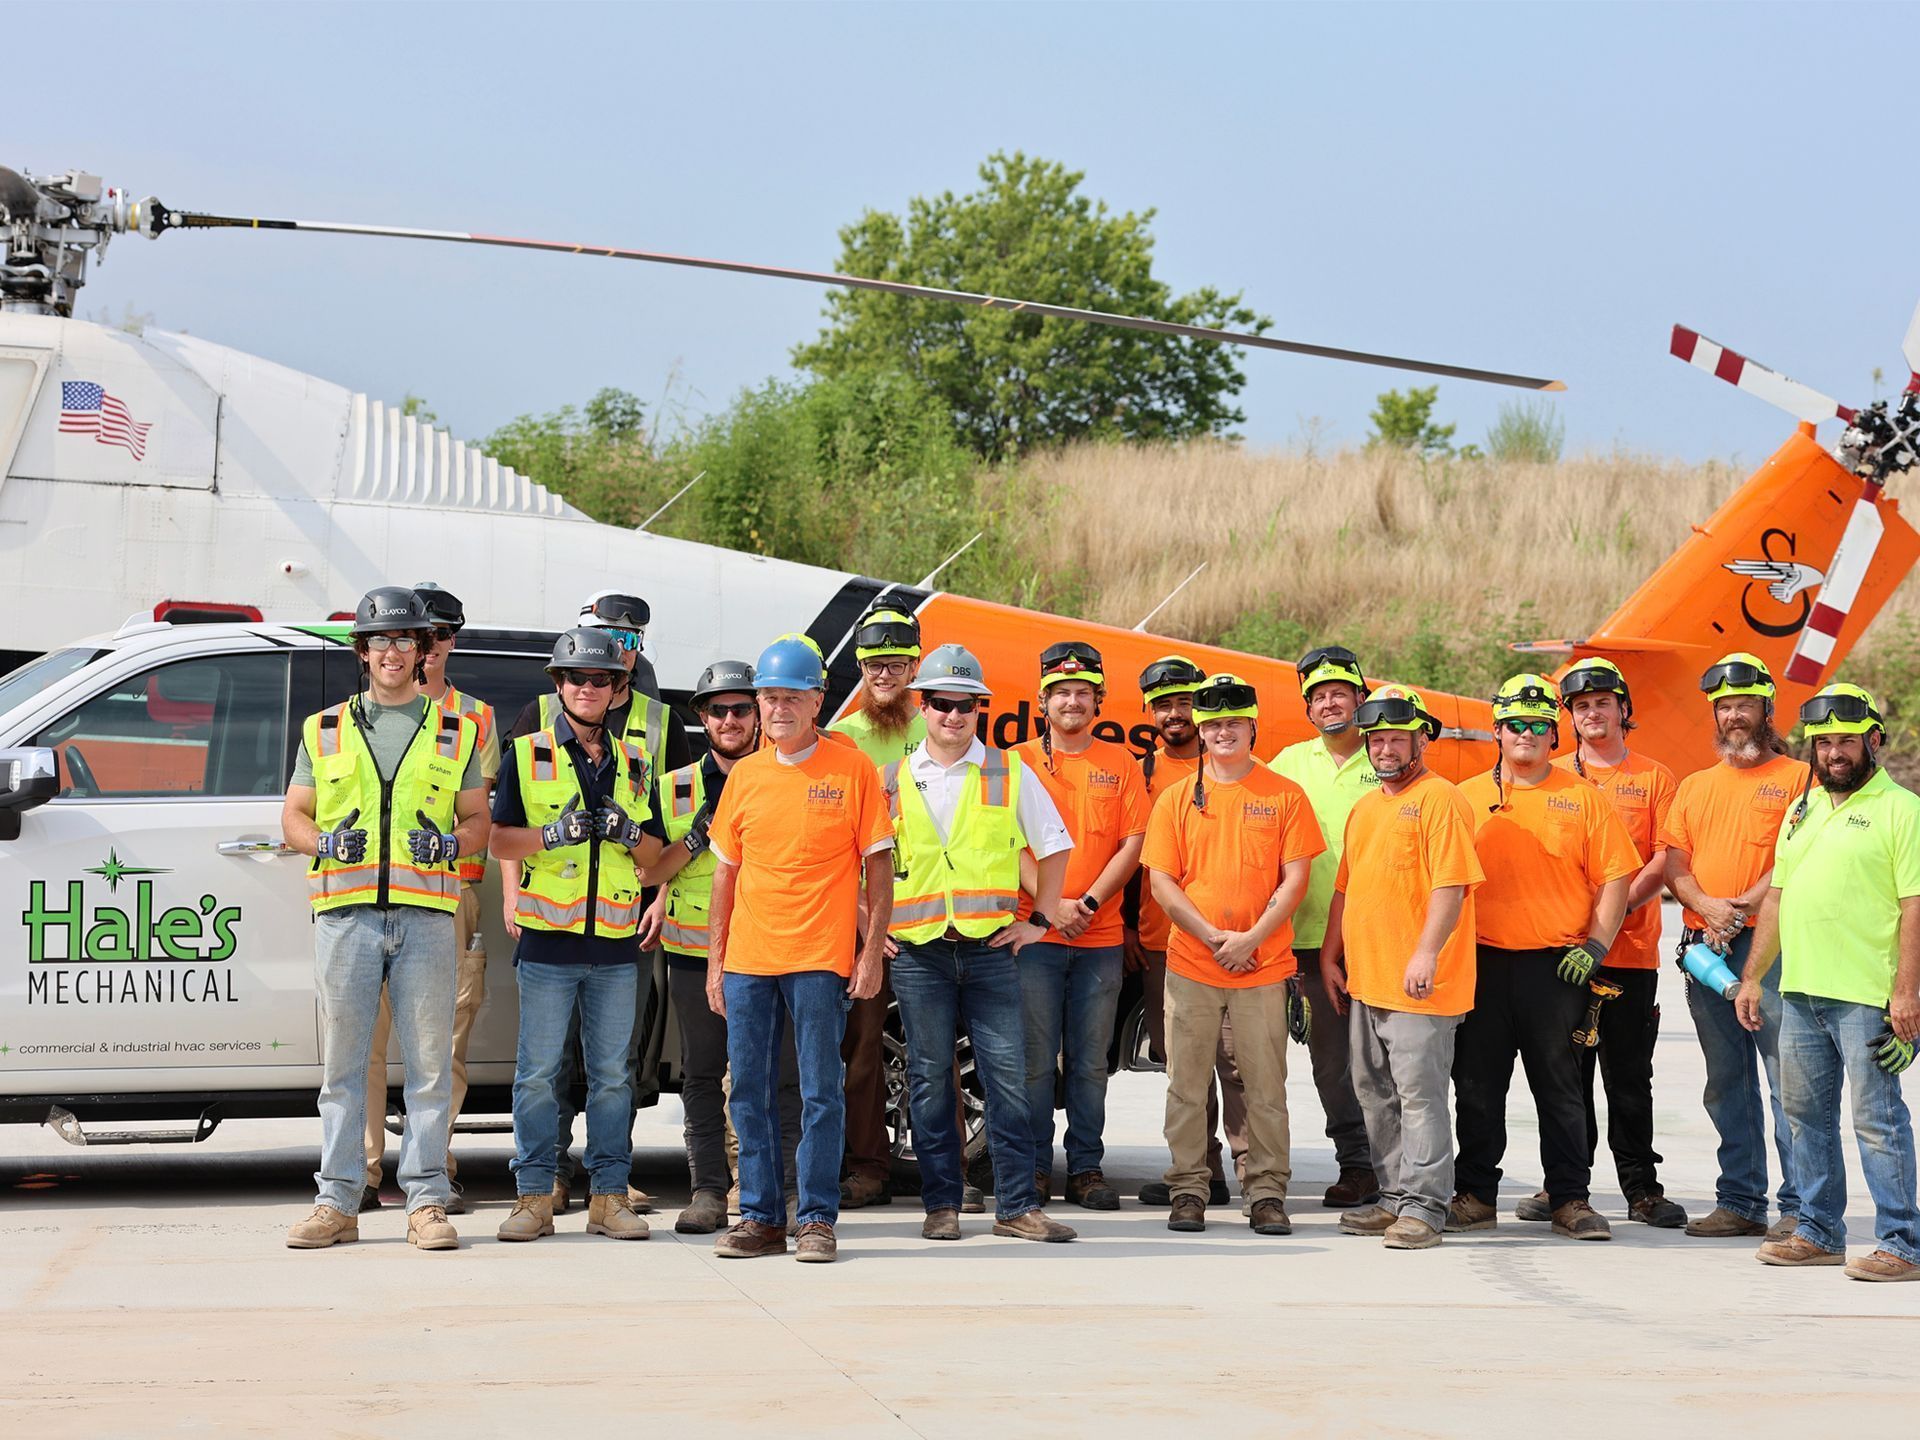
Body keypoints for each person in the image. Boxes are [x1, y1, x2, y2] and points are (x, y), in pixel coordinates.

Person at [281, 587, 487, 1251]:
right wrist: (323, 842)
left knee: (428, 1068)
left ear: (424, 651)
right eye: (379, 640)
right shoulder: (325, 729)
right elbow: (293, 817)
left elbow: (479, 821)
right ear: (363, 652)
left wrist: (453, 844)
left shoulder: (458, 731)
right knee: (343, 1070)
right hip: (345, 918)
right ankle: (336, 1203)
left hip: (427, 917)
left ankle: (427, 1203)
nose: (392, 651)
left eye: (405, 640)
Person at [705, 637, 894, 1263]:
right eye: (768, 697)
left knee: (820, 1091)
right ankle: (760, 1218)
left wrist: (868, 957)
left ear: (817, 702)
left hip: (819, 958)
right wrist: (717, 965)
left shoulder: (852, 769)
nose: (777, 708)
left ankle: (815, 1219)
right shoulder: (746, 777)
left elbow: (878, 867)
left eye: (791, 696)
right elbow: (725, 876)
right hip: (749, 963)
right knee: (749, 1091)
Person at [502, 591, 691, 1212]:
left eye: (627, 645)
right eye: (580, 674)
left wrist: (661, 894)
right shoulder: (533, 718)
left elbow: (671, 824)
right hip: (549, 925)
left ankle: (611, 1183)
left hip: (624, 920)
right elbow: (505, 824)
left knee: (620, 1064)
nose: (593, 682)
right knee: (545, 1066)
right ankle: (548, 1177)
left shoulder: (658, 726)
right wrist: (513, 895)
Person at [884, 643, 1080, 1242]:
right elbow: (859, 861)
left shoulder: (1008, 772)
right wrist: (872, 933)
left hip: (992, 949)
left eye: (965, 705)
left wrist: (1040, 921)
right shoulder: (891, 780)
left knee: (1008, 1077)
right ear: (923, 707)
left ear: (979, 710)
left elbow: (1055, 847)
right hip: (918, 953)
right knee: (927, 1078)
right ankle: (941, 1206)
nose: (953, 715)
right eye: (942, 703)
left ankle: (1017, 1206)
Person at [1736, 684, 1920, 1281]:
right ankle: (1819, 1231)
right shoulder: (1803, 809)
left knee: (1877, 1121)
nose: (1833, 753)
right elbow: (1779, 897)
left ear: (1872, 740)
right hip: (1801, 993)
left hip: (1869, 997)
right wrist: (1752, 978)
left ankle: (1903, 1241)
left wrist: (1908, 994)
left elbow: (1915, 907)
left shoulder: (1904, 810)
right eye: (1823, 743)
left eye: (1845, 740)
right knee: (1804, 1117)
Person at [1450, 673, 1638, 1241]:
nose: (1526, 734)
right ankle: (1476, 1193)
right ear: (1497, 733)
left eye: (1538, 725)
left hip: (1557, 967)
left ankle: (1570, 1199)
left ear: (1553, 735)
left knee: (1560, 1086)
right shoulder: (1463, 799)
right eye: (1514, 725)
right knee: (1477, 1085)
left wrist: (1597, 946)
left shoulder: (1582, 797)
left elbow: (1616, 877)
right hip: (1480, 963)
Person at [1501, 659, 1686, 1228]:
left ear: (1623, 710)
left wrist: (1614, 908)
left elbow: (1663, 857)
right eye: (1581, 706)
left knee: (1629, 1078)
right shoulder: (1552, 776)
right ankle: (1565, 1185)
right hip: (1564, 958)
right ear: (1569, 718)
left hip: (1627, 954)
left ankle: (1641, 1189)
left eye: (1603, 703)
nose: (1592, 713)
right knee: (1565, 1077)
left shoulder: (1655, 779)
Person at [1141, 673, 1324, 1236]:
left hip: (1263, 966)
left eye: (1234, 723)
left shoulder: (1284, 794)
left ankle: (1267, 1192)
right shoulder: (1175, 798)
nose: (1223, 733)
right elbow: (1163, 883)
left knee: (1265, 1088)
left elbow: (1295, 880)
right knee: (1186, 1086)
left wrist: (1250, 939)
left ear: (1252, 727)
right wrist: (1210, 937)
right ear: (1201, 729)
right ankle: (1189, 1188)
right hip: (1192, 966)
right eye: (1213, 723)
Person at [637, 660, 803, 1235]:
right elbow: (648, 870)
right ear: (701, 719)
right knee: (703, 1075)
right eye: (717, 710)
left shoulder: (785, 775)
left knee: (779, 1076)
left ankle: (780, 1191)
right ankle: (708, 1188)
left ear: (758, 714)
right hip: (692, 950)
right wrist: (697, 834)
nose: (730, 720)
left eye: (741, 708)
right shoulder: (674, 788)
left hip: (771, 948)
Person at [1322, 686, 1482, 1250]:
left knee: (1420, 1096)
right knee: (1376, 1095)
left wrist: (1426, 952)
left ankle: (1425, 1205)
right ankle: (1392, 1198)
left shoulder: (1441, 799)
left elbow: (1452, 885)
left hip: (1421, 985)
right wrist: (1328, 955)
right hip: (1367, 980)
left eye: (1397, 738)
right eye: (1377, 739)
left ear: (1420, 739)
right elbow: (1346, 888)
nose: (1386, 748)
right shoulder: (1367, 807)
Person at [360, 581, 500, 1215]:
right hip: (365, 896)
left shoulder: (475, 718)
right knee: (365, 1038)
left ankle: (432, 1168)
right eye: (420, 634)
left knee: (442, 1043)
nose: (428, 646)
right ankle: (361, 1172)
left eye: (441, 635)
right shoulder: (351, 716)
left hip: (451, 894)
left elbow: (478, 812)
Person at [1662, 652, 1809, 1241]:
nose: (1733, 715)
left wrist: (1744, 906)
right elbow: (1675, 862)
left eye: (1744, 704)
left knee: (1787, 1078)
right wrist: (1707, 906)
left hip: (1771, 946)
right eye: (1723, 707)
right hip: (1707, 946)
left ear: (1767, 709)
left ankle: (1801, 1205)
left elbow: (1795, 859)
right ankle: (1741, 1200)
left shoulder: (1799, 777)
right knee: (1727, 1081)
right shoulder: (1695, 786)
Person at [1010, 641, 1149, 1210]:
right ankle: (1037, 1169)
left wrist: (1085, 903)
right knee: (1036, 1061)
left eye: (1083, 693)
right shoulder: (1015, 761)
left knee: (1092, 1061)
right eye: (1061, 693)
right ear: (1043, 700)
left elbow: (1133, 843)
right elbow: (1008, 842)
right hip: (1035, 935)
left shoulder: (1119, 763)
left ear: (1098, 702)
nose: (1072, 701)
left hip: (1099, 938)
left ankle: (1086, 1169)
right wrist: (1050, 905)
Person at [1126, 656, 1244, 1208]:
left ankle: (1256, 1177)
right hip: (1161, 944)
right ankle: (1202, 1173)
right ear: (1149, 711)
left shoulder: (1234, 765)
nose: (1174, 713)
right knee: (1184, 1068)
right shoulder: (1143, 772)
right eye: (1163, 704)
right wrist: (1128, 928)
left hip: (1236, 947)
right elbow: (1127, 857)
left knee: (1238, 1066)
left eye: (1183, 702)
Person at [1268, 643, 1380, 1209]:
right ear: (1308, 708)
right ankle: (1357, 1164)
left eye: (1340, 693)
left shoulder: (1387, 755)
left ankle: (1407, 1169)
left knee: (1392, 1063)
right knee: (1332, 1062)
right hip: (1310, 941)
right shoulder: (1287, 765)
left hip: (1383, 938)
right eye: (1318, 696)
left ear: (1361, 698)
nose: (1329, 703)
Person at [830, 602, 927, 1210]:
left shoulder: (942, 728)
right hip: (871, 924)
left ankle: (943, 1170)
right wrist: (868, 920)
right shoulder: (841, 739)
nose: (884, 675)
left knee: (934, 1052)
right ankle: (866, 1165)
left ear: (915, 666)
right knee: (862, 1051)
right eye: (873, 664)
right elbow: (833, 842)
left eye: (895, 663)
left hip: (937, 921)